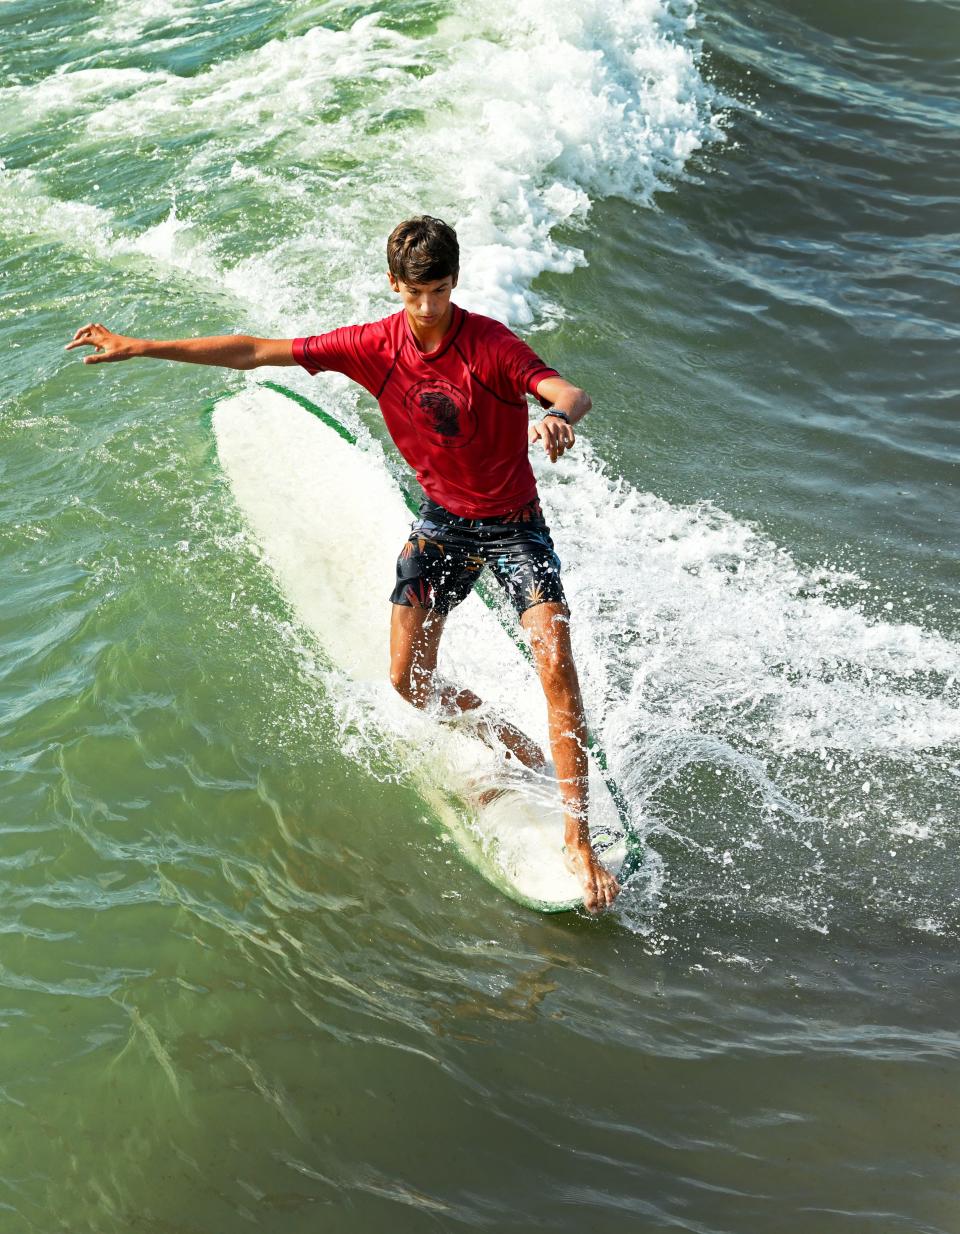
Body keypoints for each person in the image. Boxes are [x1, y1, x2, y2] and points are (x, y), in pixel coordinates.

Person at [65, 215, 620, 913]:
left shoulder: (490, 345)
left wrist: (558, 415)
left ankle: (579, 840)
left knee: (557, 672)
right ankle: (502, 735)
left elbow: (566, 390)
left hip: (514, 529)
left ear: (455, 281)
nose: (428, 309)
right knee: (408, 682)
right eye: (416, 294)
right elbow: (254, 351)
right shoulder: (371, 346)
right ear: (394, 285)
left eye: (441, 291)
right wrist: (140, 346)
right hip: (443, 527)